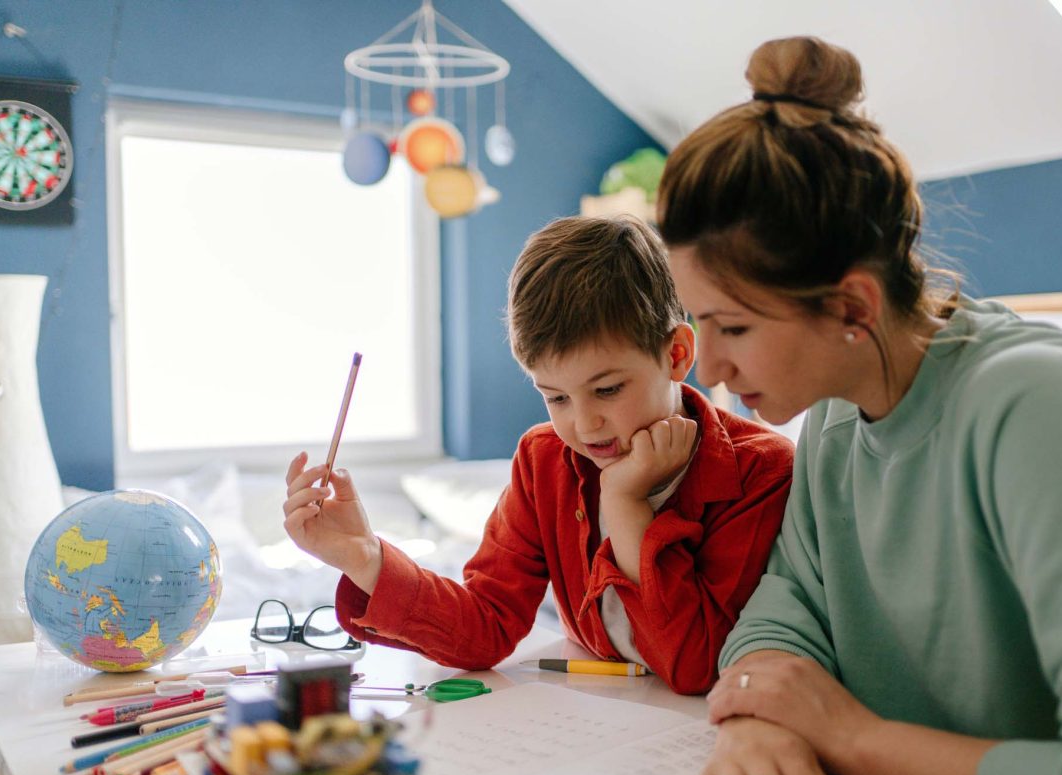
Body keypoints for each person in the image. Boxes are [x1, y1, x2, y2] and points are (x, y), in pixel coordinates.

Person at [660, 35, 1062, 775]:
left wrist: (850, 736)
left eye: (733, 327)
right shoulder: (833, 416)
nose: (708, 365)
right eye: (698, 323)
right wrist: (760, 718)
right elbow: (787, 604)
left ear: (853, 308)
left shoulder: (1036, 408)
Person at [282, 215, 795, 696]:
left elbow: (695, 666)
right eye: (556, 397)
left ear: (677, 354)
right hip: (593, 725)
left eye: (609, 389)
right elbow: (486, 626)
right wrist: (364, 557)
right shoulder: (543, 459)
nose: (584, 424)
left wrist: (625, 505)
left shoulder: (761, 470)